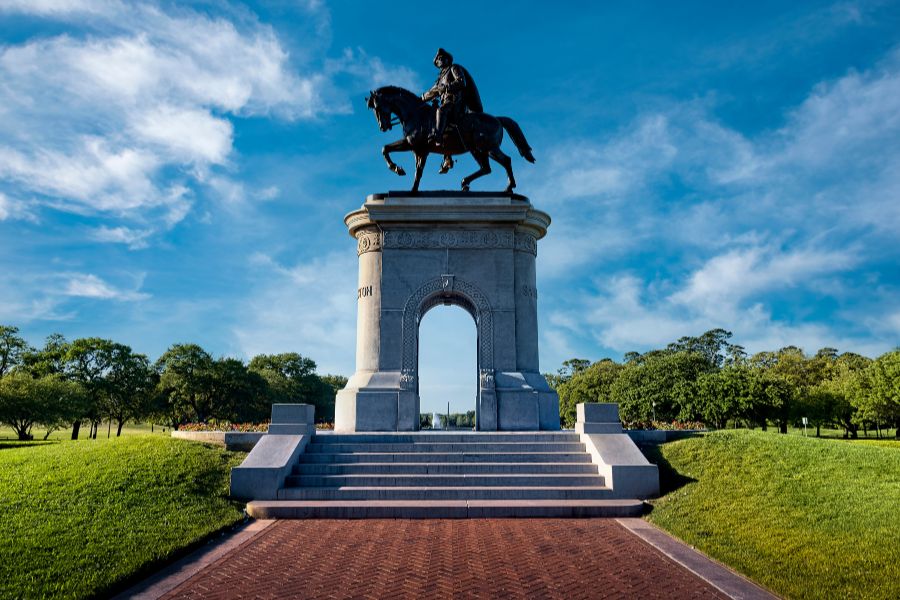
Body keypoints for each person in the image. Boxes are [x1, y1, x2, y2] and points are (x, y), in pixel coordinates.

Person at [421, 48, 483, 173]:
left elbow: (462, 82)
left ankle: (437, 138)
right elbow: (432, 92)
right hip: (446, 104)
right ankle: (447, 157)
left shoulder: (454, 68)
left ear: (447, 59)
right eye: (438, 60)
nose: (440, 60)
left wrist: (447, 87)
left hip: (456, 103)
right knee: (432, 118)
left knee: (441, 111)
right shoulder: (439, 79)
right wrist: (420, 99)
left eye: (442, 58)